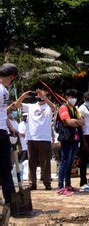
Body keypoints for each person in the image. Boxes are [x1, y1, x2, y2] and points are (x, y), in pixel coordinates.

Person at [14, 89, 55, 190]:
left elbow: (54, 107)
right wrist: (23, 96)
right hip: (31, 138)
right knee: (31, 162)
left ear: (47, 96)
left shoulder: (49, 107)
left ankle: (47, 183)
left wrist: (44, 97)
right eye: (38, 95)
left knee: (45, 162)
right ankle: (32, 183)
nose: (39, 96)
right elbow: (16, 105)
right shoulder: (31, 106)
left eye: (42, 94)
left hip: (44, 138)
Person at [56, 89, 83, 196]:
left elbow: (82, 122)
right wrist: (77, 122)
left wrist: (75, 122)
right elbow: (68, 122)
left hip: (74, 138)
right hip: (66, 138)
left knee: (69, 162)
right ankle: (60, 187)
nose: (74, 99)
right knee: (64, 162)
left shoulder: (75, 109)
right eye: (71, 96)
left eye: (75, 97)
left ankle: (67, 185)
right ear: (66, 97)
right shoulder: (63, 108)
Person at [0, 63, 18, 207]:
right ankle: (11, 202)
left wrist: (9, 125)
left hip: (3, 130)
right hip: (0, 134)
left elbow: (2, 112)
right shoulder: (3, 90)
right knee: (6, 169)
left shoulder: (3, 90)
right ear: (12, 76)